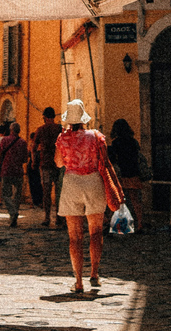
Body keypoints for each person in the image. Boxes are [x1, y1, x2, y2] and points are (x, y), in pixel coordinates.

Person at [54, 99, 108, 294]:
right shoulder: (96, 136)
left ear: (69, 120)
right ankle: (94, 273)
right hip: (93, 182)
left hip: (72, 183)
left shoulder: (62, 138)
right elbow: (104, 161)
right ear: (84, 118)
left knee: (75, 236)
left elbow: (59, 163)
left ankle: (78, 281)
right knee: (96, 232)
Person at [108, 118, 144, 232]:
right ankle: (140, 224)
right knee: (136, 200)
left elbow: (113, 159)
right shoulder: (133, 141)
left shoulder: (116, 143)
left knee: (118, 200)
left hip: (122, 174)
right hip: (133, 172)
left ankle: (119, 225)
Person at [31, 106, 64, 227]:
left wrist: (34, 161)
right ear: (54, 116)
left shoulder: (40, 130)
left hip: (45, 163)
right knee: (59, 192)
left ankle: (47, 217)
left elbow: (33, 147)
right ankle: (59, 217)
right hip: (59, 164)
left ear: (44, 117)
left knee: (46, 192)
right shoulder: (60, 129)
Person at [0, 122, 28, 227]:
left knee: (6, 194)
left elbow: (0, 154)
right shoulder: (23, 142)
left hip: (6, 170)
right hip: (18, 171)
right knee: (17, 195)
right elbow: (25, 159)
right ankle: (14, 212)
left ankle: (12, 212)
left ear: (10, 130)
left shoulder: (4, 140)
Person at [27, 132, 44, 208]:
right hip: (38, 165)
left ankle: (34, 201)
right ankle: (39, 201)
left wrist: (33, 162)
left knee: (32, 184)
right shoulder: (39, 146)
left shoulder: (31, 145)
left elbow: (30, 154)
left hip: (32, 165)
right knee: (38, 183)